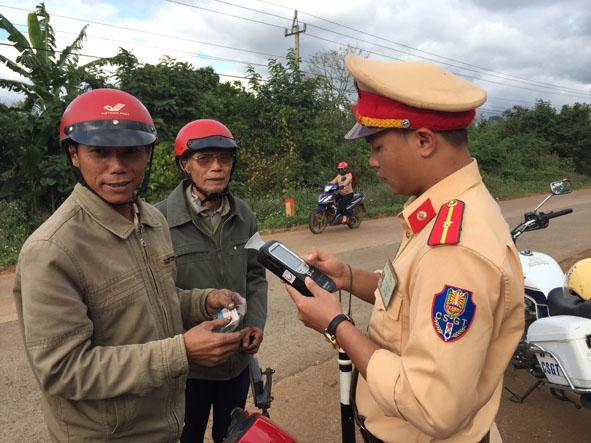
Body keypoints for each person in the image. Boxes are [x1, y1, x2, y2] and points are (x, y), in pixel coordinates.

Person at [285, 54, 524, 443]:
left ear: (424, 141)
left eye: (378, 147)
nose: (373, 161)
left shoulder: (456, 247)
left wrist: (335, 325)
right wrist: (347, 277)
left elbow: (430, 405)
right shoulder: (445, 209)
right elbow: (410, 298)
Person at [12, 89, 249, 442]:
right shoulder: (52, 250)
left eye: (131, 152)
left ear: (148, 153)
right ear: (74, 154)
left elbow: (158, 299)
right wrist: (180, 352)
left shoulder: (151, 220)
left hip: (165, 423)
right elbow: (63, 370)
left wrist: (202, 301)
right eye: (100, 152)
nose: (118, 167)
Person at [156, 119, 268, 443]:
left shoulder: (244, 215)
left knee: (228, 434)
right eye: (205, 159)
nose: (217, 167)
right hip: (188, 367)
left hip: (235, 362)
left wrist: (256, 323)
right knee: (185, 435)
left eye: (225, 158)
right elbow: (158, 295)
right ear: (184, 164)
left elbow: (255, 275)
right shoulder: (159, 221)